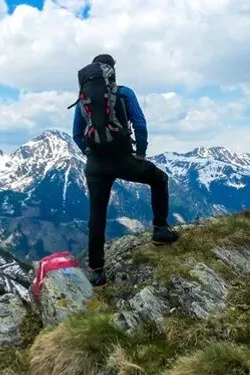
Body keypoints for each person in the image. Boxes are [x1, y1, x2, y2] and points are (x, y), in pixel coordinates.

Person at [71, 54, 179, 287]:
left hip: (95, 165)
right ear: (111, 72)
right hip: (122, 158)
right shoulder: (125, 93)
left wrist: (90, 153)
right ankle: (160, 229)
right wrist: (140, 153)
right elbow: (139, 124)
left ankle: (97, 272)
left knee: (96, 215)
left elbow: (77, 134)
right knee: (159, 179)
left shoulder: (83, 100)